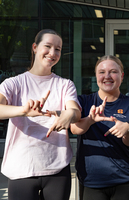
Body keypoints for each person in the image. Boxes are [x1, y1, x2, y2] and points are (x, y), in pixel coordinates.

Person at [0, 29, 82, 200]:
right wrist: (23, 110)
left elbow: (75, 112)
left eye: (58, 49)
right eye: (48, 46)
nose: (53, 53)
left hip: (57, 168)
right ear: (35, 47)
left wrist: (69, 114)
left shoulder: (65, 84)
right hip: (21, 168)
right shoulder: (14, 83)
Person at [70, 55, 129, 200]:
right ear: (96, 76)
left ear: (121, 75)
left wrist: (127, 129)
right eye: (102, 72)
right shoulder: (84, 101)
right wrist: (90, 120)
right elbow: (75, 129)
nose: (107, 76)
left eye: (113, 72)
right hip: (92, 180)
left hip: (125, 179)